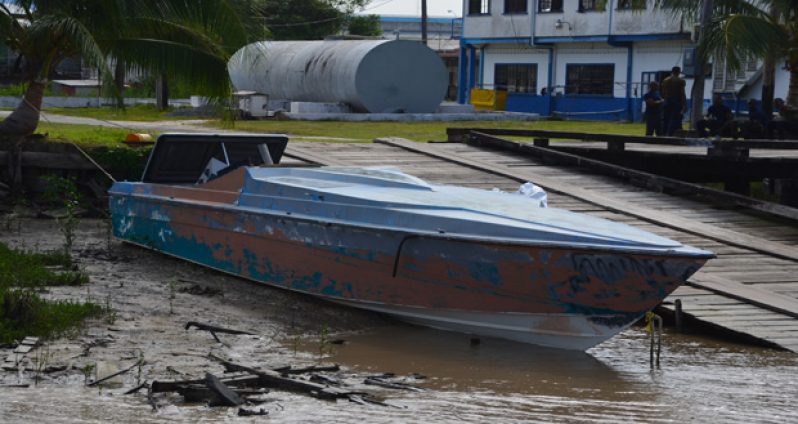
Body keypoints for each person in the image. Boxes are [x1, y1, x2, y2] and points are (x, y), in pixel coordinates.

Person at [660, 66, 687, 136]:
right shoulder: (680, 81)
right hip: (676, 101)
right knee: (675, 118)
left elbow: (663, 92)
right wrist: (684, 104)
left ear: (672, 71)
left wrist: (665, 99)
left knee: (665, 118)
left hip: (667, 100)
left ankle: (663, 134)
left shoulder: (665, 80)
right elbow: (682, 93)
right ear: (679, 72)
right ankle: (671, 134)